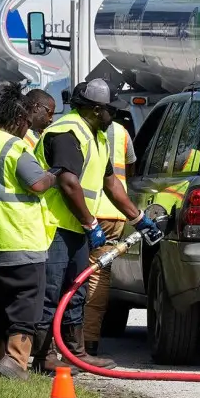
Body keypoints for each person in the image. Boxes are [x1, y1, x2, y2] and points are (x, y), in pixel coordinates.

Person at [33, 79, 161, 373]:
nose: (114, 115)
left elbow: (110, 183)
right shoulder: (66, 132)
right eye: (109, 110)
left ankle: (76, 352)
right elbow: (68, 183)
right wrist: (91, 223)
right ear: (94, 109)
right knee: (52, 293)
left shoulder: (97, 135)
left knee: (76, 291)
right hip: (54, 228)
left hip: (74, 228)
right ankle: (45, 355)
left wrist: (138, 218)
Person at [0, 84, 57, 380]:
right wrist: (55, 174)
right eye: (26, 124)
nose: (26, 129)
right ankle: (16, 363)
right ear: (18, 120)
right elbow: (38, 183)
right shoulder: (13, 147)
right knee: (25, 305)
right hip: (20, 241)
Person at [82, 118, 136, 358]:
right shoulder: (121, 131)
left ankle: (64, 339)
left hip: (83, 211)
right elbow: (131, 168)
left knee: (72, 275)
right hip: (115, 213)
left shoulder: (75, 128)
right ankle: (89, 339)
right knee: (99, 277)